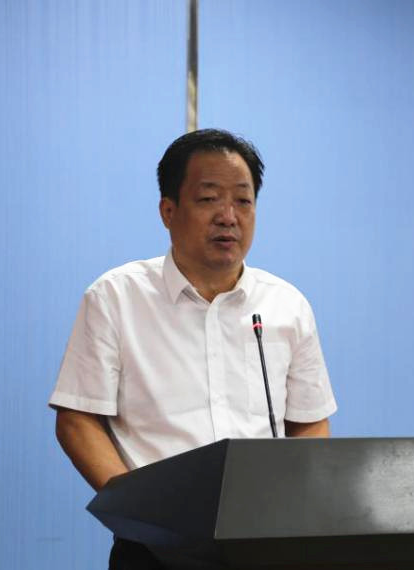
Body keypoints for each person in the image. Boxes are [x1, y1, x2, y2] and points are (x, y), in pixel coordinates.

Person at [49, 128, 337, 569]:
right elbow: (77, 419)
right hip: (153, 546)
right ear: (168, 211)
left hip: (264, 541)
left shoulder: (287, 306)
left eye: (243, 201)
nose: (228, 216)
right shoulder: (116, 298)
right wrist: (137, 507)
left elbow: (310, 421)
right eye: (208, 199)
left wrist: (291, 503)